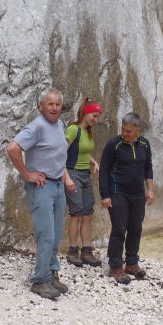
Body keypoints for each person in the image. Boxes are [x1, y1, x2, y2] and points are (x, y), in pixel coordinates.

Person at [6, 87, 73, 300]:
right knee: (47, 234)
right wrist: (27, 174)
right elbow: (13, 148)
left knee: (56, 232)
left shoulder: (60, 124)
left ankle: (52, 273)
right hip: (41, 186)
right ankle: (39, 280)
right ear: (41, 106)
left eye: (57, 104)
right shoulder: (36, 127)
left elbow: (57, 154)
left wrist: (63, 175)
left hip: (57, 184)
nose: (54, 108)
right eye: (50, 104)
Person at [99, 112, 154, 284]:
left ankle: (131, 263)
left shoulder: (144, 144)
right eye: (123, 129)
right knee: (119, 229)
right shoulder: (113, 145)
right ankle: (115, 266)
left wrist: (150, 190)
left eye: (129, 131)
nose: (125, 133)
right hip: (118, 193)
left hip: (138, 194)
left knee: (136, 228)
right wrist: (105, 195)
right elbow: (104, 170)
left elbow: (148, 168)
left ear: (138, 130)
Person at [64, 98, 103, 267]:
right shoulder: (73, 130)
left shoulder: (88, 132)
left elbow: (83, 152)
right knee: (76, 214)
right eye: (94, 116)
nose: (96, 119)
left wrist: (93, 162)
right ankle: (73, 251)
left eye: (98, 116)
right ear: (85, 113)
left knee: (87, 214)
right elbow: (60, 153)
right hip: (73, 173)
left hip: (85, 175)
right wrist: (66, 177)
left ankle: (86, 251)